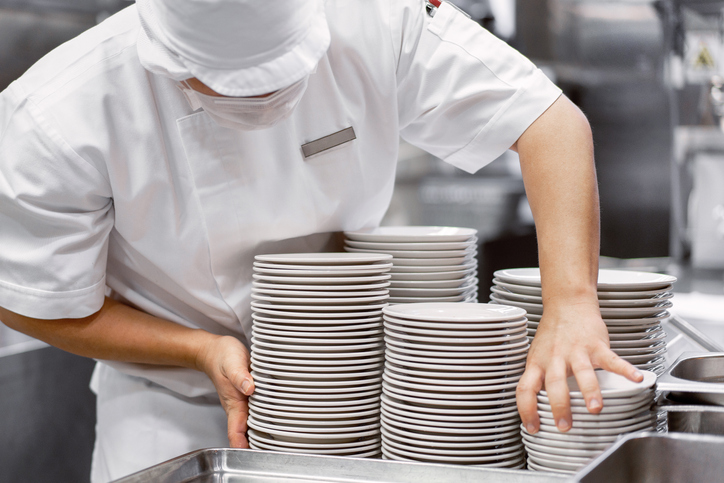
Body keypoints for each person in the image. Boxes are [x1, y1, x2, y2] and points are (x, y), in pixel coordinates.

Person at [0, 0, 643, 480]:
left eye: (282, 80)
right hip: (170, 402)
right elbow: (32, 299)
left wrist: (570, 304)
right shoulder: (59, 114)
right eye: (228, 90)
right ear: (167, 58)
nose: (264, 105)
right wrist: (198, 349)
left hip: (362, 398)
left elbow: (549, 123)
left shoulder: (377, 20)